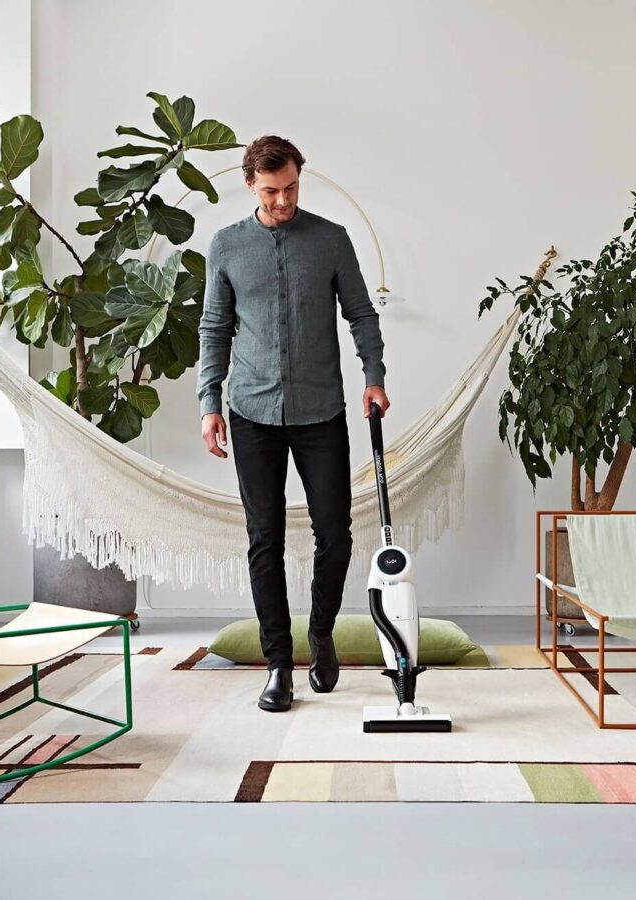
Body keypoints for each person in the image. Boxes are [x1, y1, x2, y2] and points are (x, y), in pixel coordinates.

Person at [197, 135, 389, 712]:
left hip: (321, 411)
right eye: (272, 191)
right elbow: (214, 327)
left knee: (336, 534)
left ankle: (321, 633)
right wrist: (210, 402)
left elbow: (360, 313)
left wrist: (373, 375)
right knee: (265, 540)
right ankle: (278, 664)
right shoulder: (227, 246)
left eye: (292, 188)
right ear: (250, 185)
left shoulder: (330, 240)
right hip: (251, 410)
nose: (283, 200)